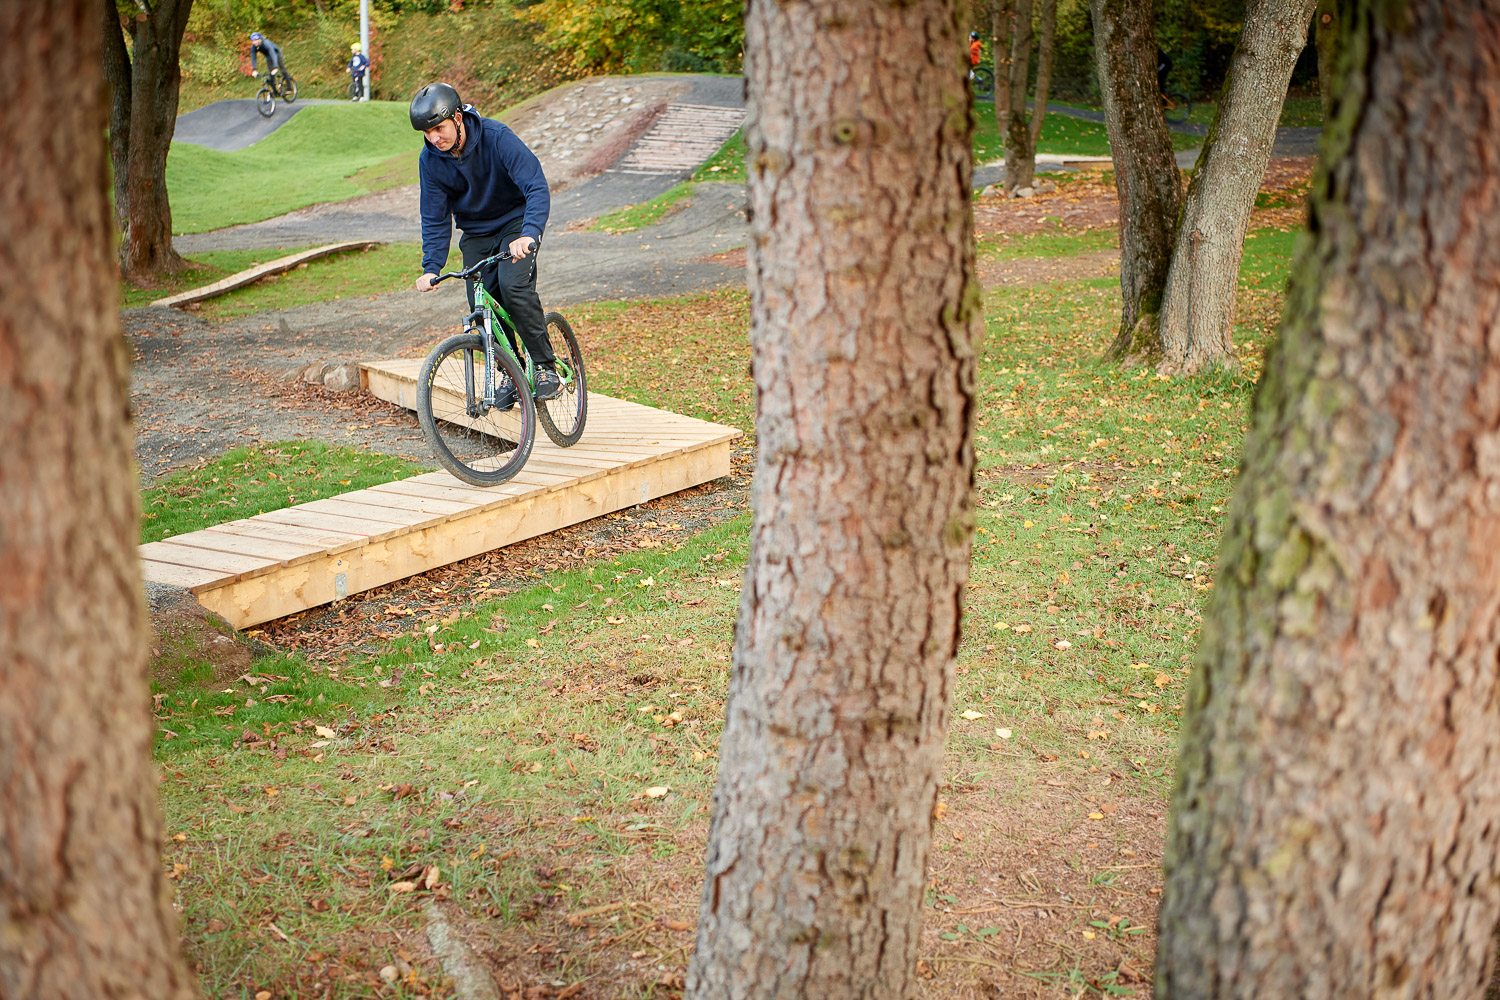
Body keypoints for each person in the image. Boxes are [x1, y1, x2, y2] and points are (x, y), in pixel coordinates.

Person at [410, 82, 559, 408]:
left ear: (458, 118)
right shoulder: (430, 161)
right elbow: (434, 217)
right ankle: (512, 370)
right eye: (427, 132)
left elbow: (535, 184)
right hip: (477, 234)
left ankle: (546, 366)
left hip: (516, 224)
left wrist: (530, 232)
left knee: (513, 287)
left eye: (439, 128)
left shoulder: (496, 137)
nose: (434, 138)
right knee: (482, 306)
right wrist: (431, 267)